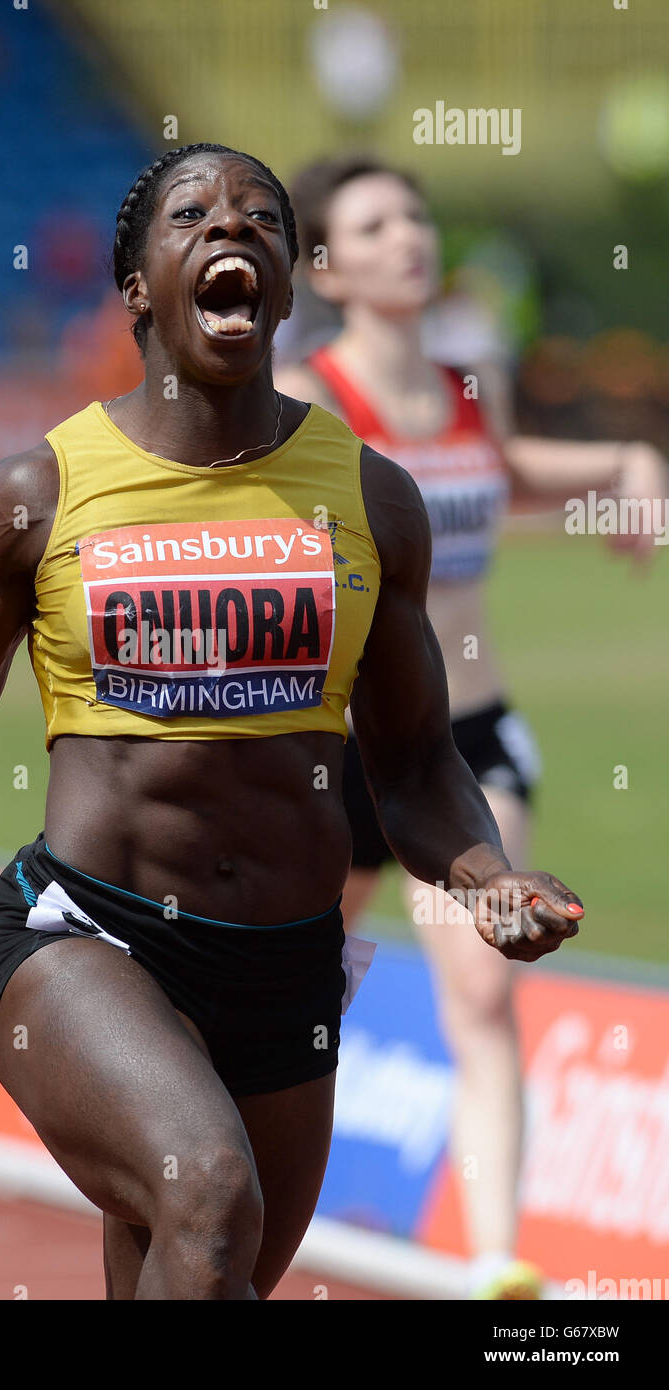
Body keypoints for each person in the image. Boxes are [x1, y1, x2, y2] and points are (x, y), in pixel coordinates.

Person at [0, 144, 585, 1302]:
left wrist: (483, 875)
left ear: (286, 286)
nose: (234, 229)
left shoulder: (370, 498)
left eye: (261, 218)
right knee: (206, 1194)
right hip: (84, 940)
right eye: (195, 216)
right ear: (136, 292)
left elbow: (413, 760)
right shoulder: (38, 494)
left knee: (199, 1270)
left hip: (287, 968)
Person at [277, 155, 665, 1299]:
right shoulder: (307, 398)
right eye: (376, 222)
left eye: (418, 215)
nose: (410, 236)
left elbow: (498, 469)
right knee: (303, 999)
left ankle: (498, 1261)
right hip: (338, 748)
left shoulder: (468, 382)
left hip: (470, 737)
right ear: (326, 265)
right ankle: (233, 1209)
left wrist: (627, 459)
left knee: (487, 983)